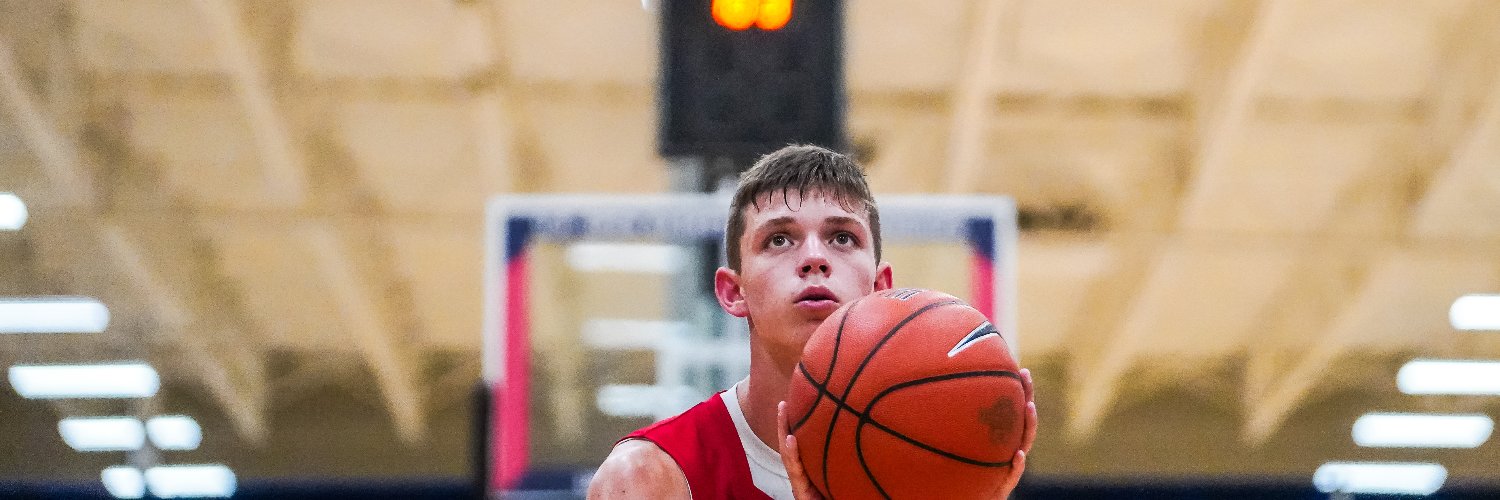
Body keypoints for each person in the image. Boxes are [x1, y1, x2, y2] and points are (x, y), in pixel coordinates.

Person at [587, 144, 1036, 499]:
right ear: (733, 292)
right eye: (779, 239)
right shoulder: (650, 478)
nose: (815, 258)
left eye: (842, 237)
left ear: (881, 288)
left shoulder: (936, 476)